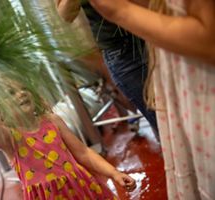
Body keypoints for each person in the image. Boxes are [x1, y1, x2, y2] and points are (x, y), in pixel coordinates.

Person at [88, 0, 215, 199]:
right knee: (169, 135)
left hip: (191, 73)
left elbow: (208, 38)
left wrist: (120, 11)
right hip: (155, 55)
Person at [0, 58, 136, 199]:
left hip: (82, 189)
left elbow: (83, 152)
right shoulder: (11, 139)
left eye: (24, 89)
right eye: (11, 93)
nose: (21, 94)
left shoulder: (52, 121)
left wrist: (113, 173)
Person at [56, 0, 159, 138]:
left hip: (158, 30)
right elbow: (65, 13)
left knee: (184, 113)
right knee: (161, 120)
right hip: (122, 49)